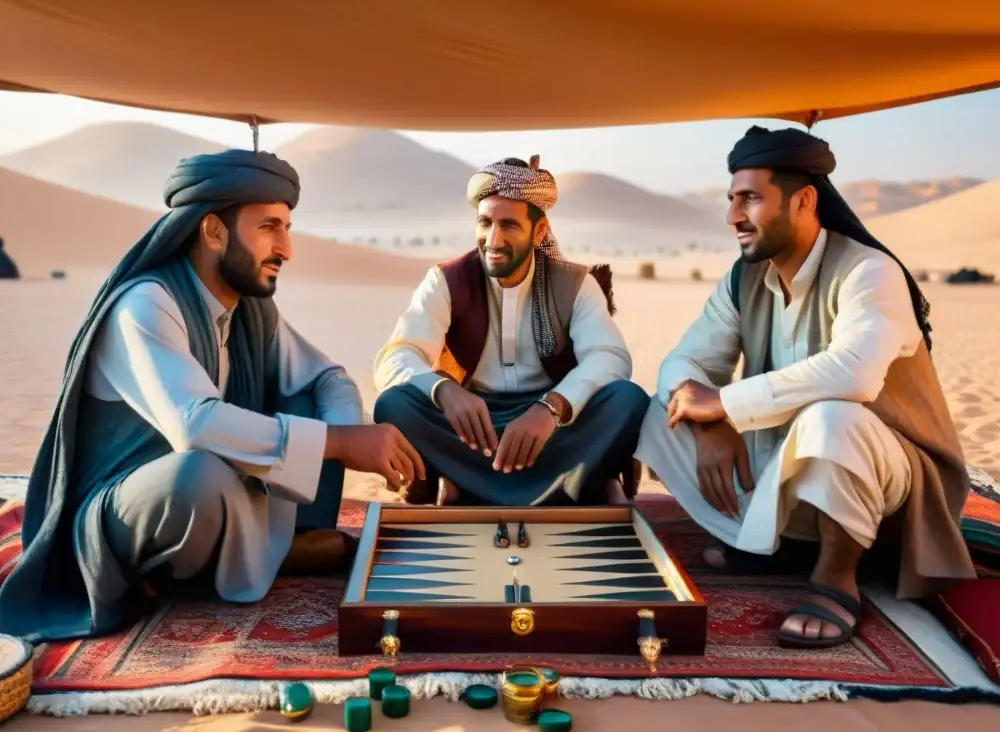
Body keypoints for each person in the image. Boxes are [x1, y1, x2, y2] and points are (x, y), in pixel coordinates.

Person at [0, 149, 424, 643]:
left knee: (308, 407)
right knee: (196, 472)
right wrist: (340, 444)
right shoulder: (145, 305)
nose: (287, 248)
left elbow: (328, 378)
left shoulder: (249, 311)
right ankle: (252, 556)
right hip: (128, 509)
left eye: (287, 228)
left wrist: (352, 436)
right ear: (214, 232)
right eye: (269, 228)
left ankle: (281, 543)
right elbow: (192, 423)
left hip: (222, 492)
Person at [634, 126, 976, 649]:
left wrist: (725, 402)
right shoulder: (744, 279)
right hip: (783, 457)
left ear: (803, 201)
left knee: (831, 417)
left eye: (750, 198)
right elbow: (686, 360)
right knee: (659, 411)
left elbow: (853, 374)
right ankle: (778, 543)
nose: (732, 217)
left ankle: (836, 578)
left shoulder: (867, 271)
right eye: (731, 200)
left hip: (886, 480)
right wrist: (713, 425)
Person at [372, 155, 649, 506]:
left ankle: (464, 486)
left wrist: (552, 407)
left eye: (509, 225)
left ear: (540, 232)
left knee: (628, 400)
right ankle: (577, 484)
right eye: (485, 222)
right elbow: (396, 356)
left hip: (553, 427)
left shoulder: (575, 284)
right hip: (473, 427)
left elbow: (610, 357)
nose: (493, 239)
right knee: (394, 404)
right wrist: (442, 390)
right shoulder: (446, 280)